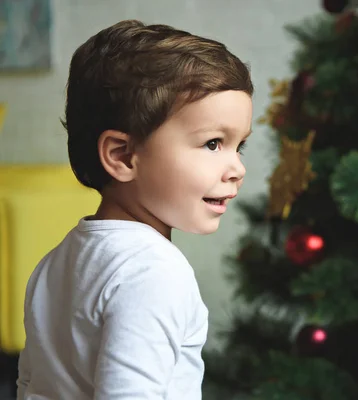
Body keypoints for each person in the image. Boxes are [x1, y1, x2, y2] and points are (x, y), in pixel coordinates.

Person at [16, 19, 253, 399]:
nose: (237, 169)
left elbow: (28, 384)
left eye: (238, 146)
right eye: (212, 144)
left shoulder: (56, 261)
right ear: (123, 156)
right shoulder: (154, 272)